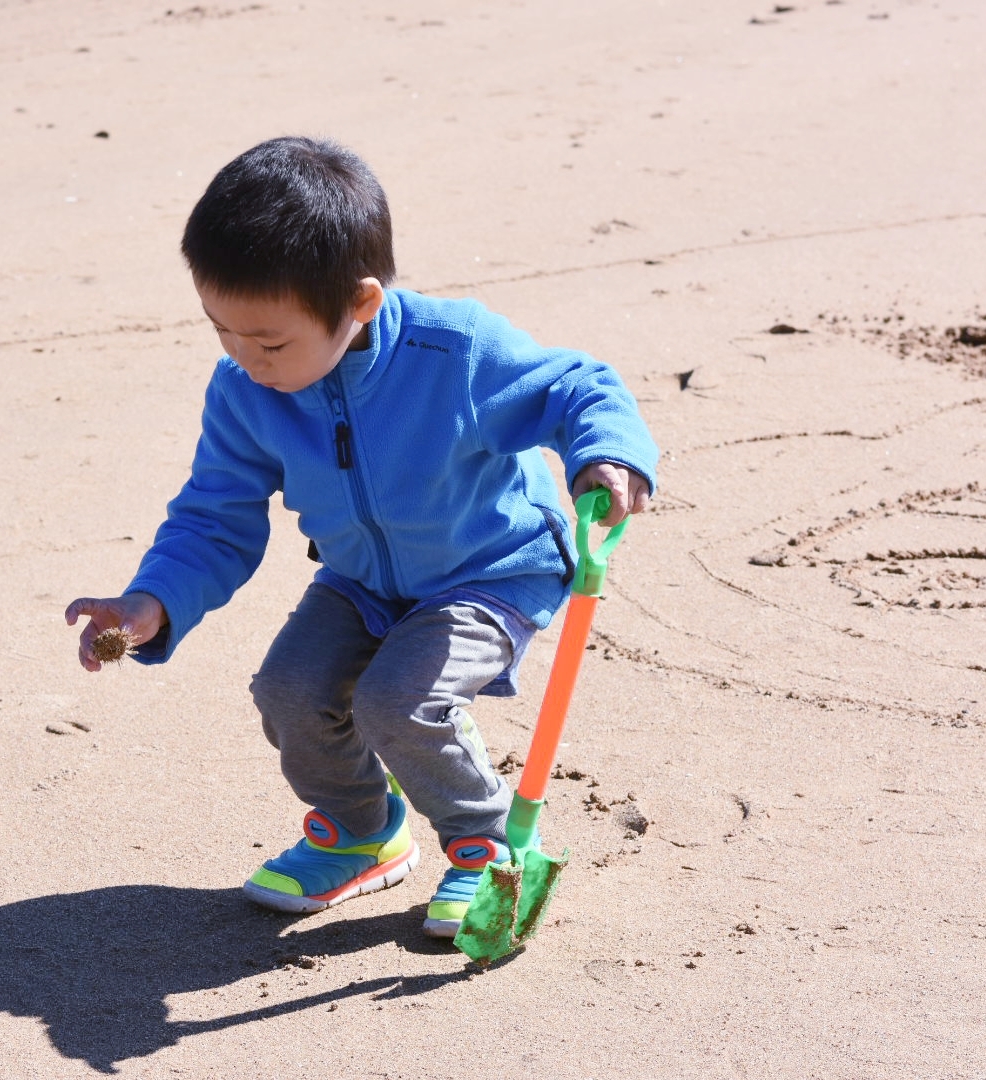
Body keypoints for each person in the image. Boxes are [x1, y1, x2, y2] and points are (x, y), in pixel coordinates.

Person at [65, 136, 657, 938]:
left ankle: (488, 847)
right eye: (222, 331)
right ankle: (362, 830)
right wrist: (153, 601)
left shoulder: (456, 353)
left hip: (490, 567)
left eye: (270, 343)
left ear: (362, 303)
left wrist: (608, 455)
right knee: (289, 691)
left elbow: (578, 386)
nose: (246, 359)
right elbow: (215, 513)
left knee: (398, 700)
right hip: (363, 579)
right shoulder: (246, 391)